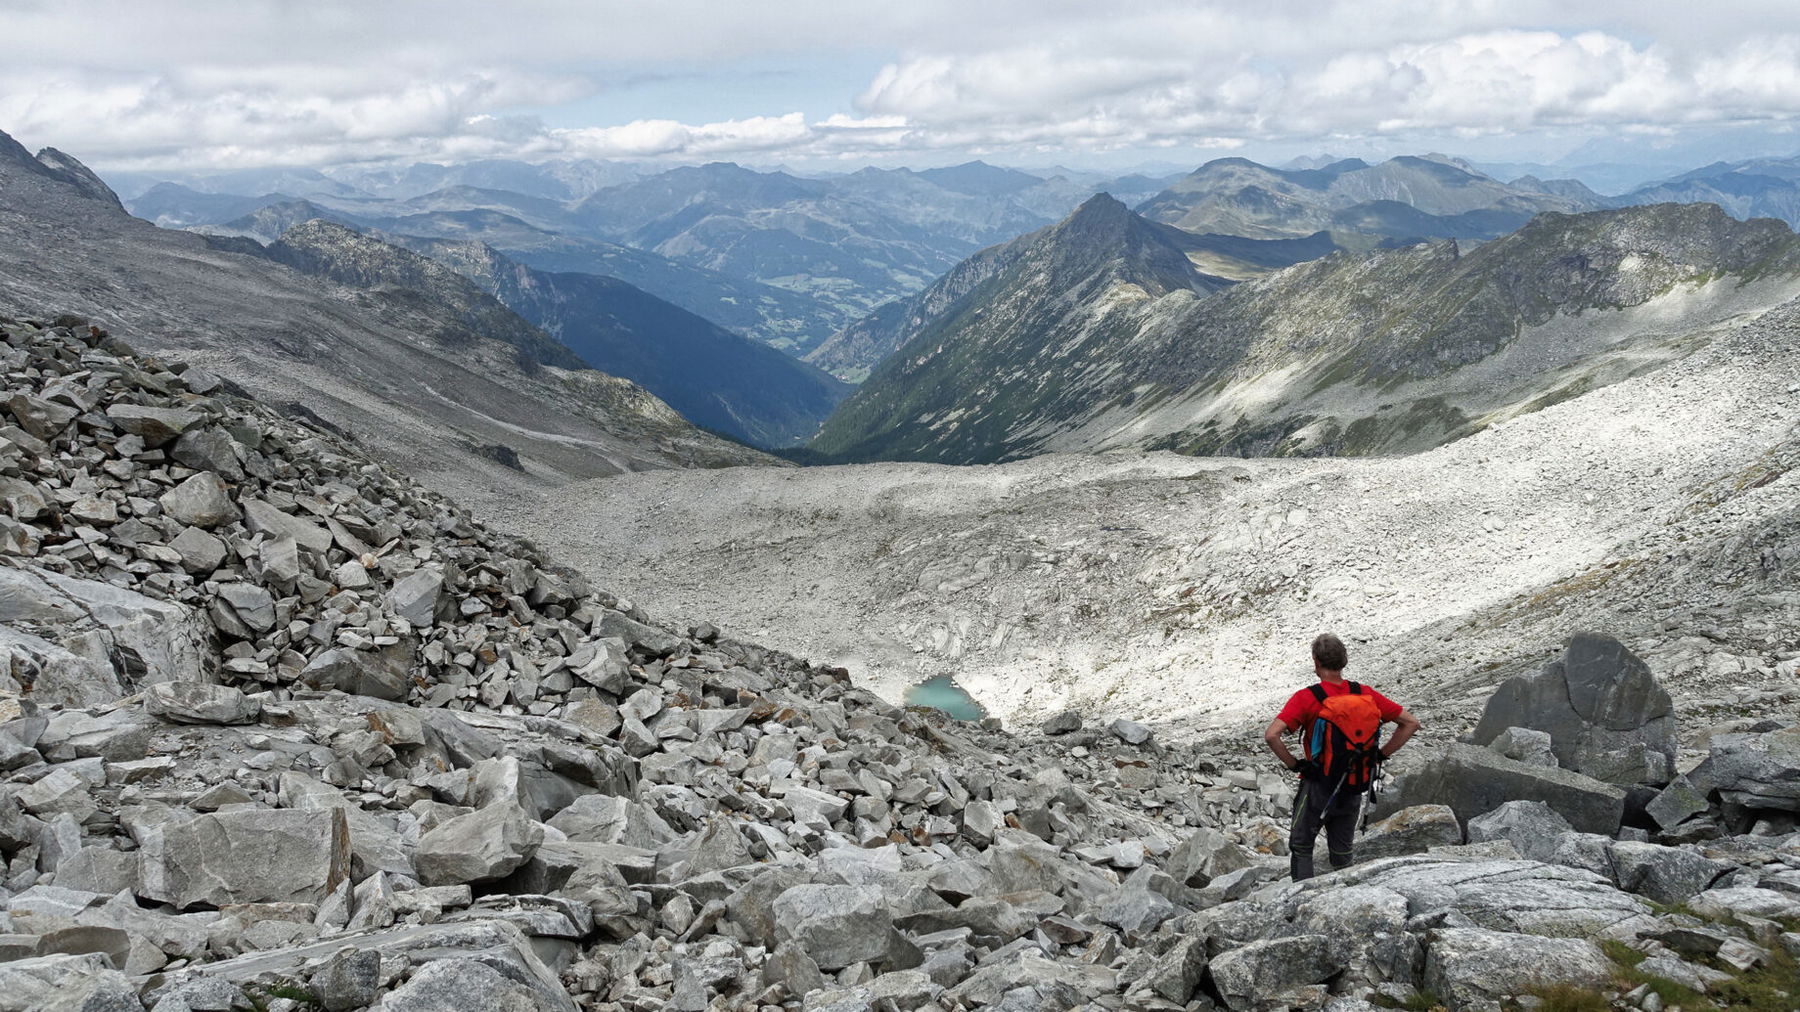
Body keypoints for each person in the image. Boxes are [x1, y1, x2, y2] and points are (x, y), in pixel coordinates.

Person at [1263, 633, 1421, 881]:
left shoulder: (1307, 698)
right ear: (1344, 660)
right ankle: (1345, 893)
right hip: (1354, 783)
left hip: (1317, 785)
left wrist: (1295, 764)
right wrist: (1379, 755)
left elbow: (1272, 735)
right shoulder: (1364, 693)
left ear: (1315, 662)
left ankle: (1301, 901)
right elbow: (1410, 723)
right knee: (1342, 852)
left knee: (1302, 846)